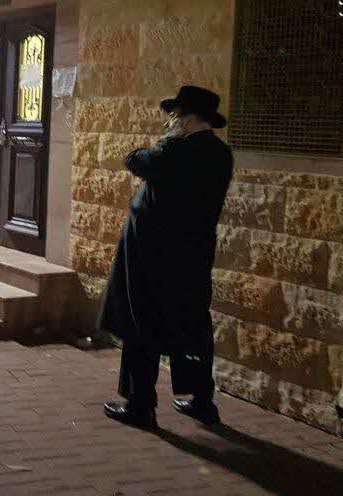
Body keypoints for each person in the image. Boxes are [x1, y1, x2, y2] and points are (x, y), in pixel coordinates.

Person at [99, 85, 234, 429]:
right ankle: (201, 400)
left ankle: (140, 405)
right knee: (193, 325)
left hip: (153, 257)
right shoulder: (221, 154)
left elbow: (134, 159)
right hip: (193, 256)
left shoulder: (173, 149)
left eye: (174, 116)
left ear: (186, 119)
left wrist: (167, 140)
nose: (169, 121)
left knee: (142, 324)